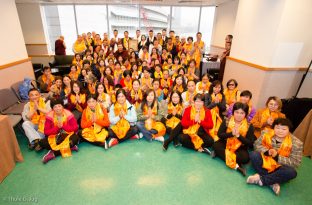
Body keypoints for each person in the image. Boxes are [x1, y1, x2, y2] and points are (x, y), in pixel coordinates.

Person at [247, 118, 303, 195]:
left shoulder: (297, 143)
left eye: (284, 129)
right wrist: (267, 151)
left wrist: (277, 156)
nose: (280, 131)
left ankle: (262, 179)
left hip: (280, 166)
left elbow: (295, 162)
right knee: (253, 154)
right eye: (277, 128)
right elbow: (256, 145)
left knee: (291, 172)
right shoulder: (266, 133)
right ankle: (272, 181)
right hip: (266, 160)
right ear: (273, 128)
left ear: (289, 130)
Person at [213, 102, 256, 176]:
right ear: (233, 112)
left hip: (240, 147)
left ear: (245, 114)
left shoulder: (249, 125)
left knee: (245, 159)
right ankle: (236, 166)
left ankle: (220, 154)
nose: (239, 115)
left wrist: (238, 136)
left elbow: (249, 143)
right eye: (237, 112)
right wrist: (231, 134)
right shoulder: (227, 120)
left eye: (242, 113)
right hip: (225, 143)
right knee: (216, 145)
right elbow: (220, 135)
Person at [40, 98, 79, 164]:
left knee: (75, 138)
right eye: (55, 107)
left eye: (59, 106)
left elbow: (75, 128)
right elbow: (46, 132)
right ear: (52, 108)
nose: (57, 108)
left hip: (67, 135)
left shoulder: (68, 114)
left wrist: (63, 126)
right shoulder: (49, 116)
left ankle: (53, 153)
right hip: (55, 137)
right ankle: (70, 148)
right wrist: (57, 128)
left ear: (62, 106)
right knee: (42, 142)